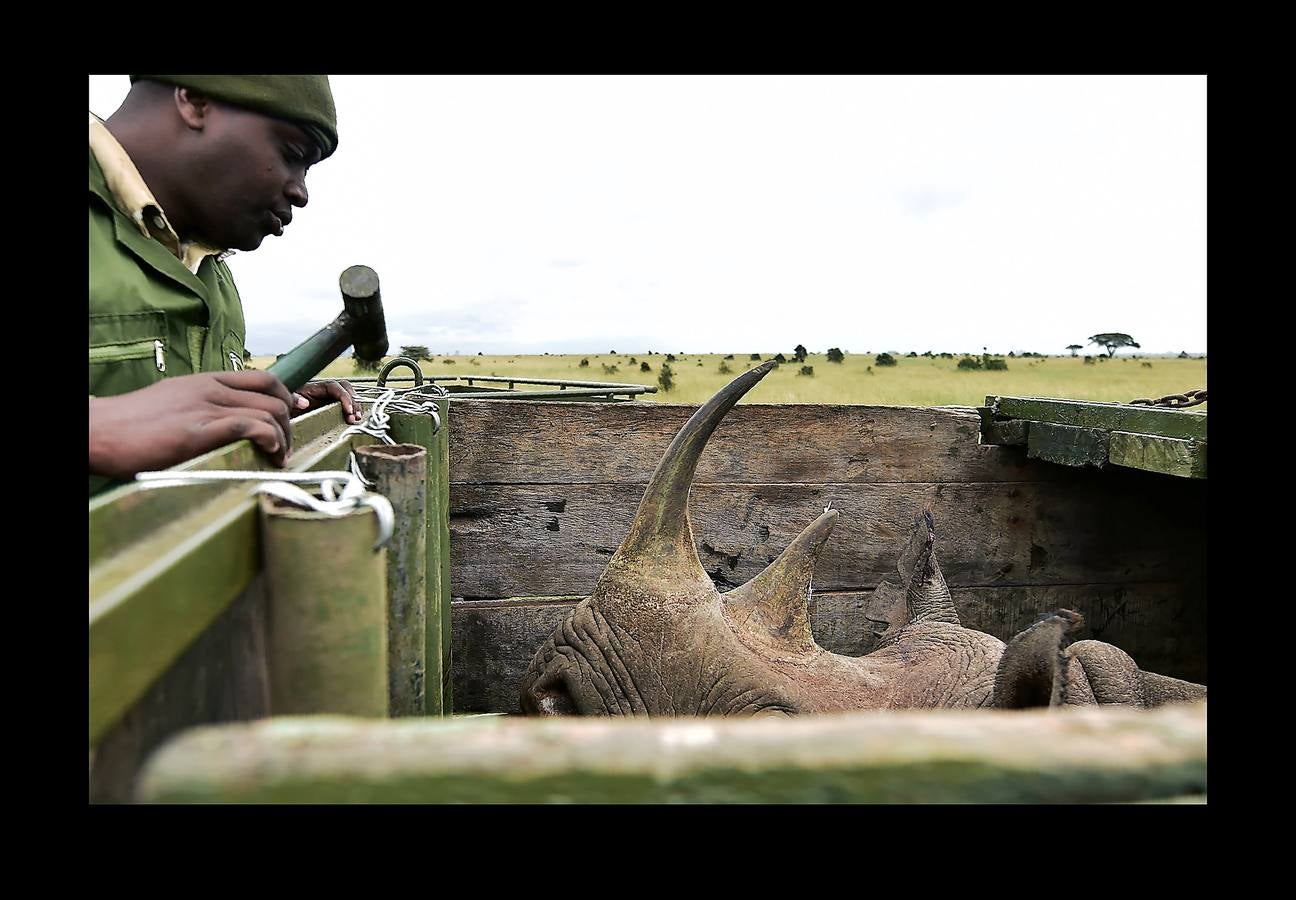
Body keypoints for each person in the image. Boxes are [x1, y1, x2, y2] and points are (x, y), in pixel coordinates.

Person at [89, 75, 362, 490]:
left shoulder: (211, 270)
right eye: (292, 154)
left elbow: (163, 401)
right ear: (196, 101)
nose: (301, 192)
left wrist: (258, 403)